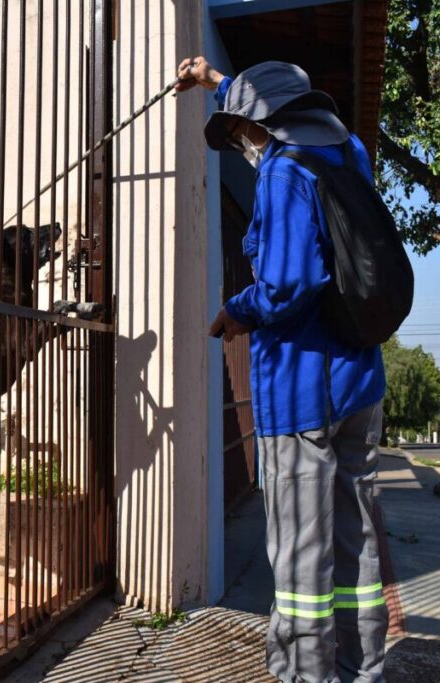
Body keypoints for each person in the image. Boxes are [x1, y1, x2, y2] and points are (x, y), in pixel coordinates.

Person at [176, 58, 389, 683]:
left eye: (242, 130)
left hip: (301, 391)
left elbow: (286, 282)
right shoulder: (348, 154)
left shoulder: (282, 171)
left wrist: (235, 310)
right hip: (360, 382)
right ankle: (362, 670)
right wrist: (220, 83)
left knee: (300, 553)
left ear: (260, 125)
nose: (242, 142)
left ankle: (303, 673)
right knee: (358, 541)